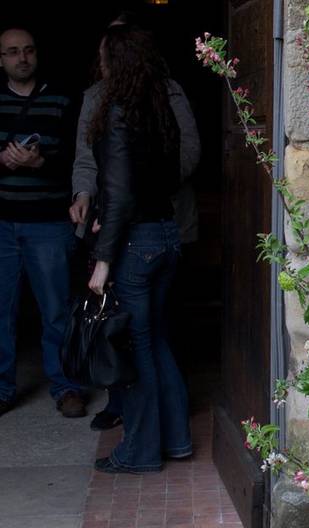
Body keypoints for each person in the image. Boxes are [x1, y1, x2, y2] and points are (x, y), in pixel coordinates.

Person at [71, 13, 200, 432]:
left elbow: (186, 153)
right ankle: (142, 416)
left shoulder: (167, 93)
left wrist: (137, 196)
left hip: (141, 226)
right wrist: (85, 195)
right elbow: (90, 160)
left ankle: (146, 439)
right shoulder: (97, 98)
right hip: (128, 224)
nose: (102, 58)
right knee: (129, 329)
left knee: (147, 333)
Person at [0, 27, 86, 418]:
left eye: (29, 50)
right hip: (2, 224)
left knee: (57, 310)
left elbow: (79, 159)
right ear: (1, 59)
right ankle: (2, 389)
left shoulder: (63, 97)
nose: (22, 58)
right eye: (14, 52)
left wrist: (40, 163)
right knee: (2, 312)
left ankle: (67, 386)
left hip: (50, 223)